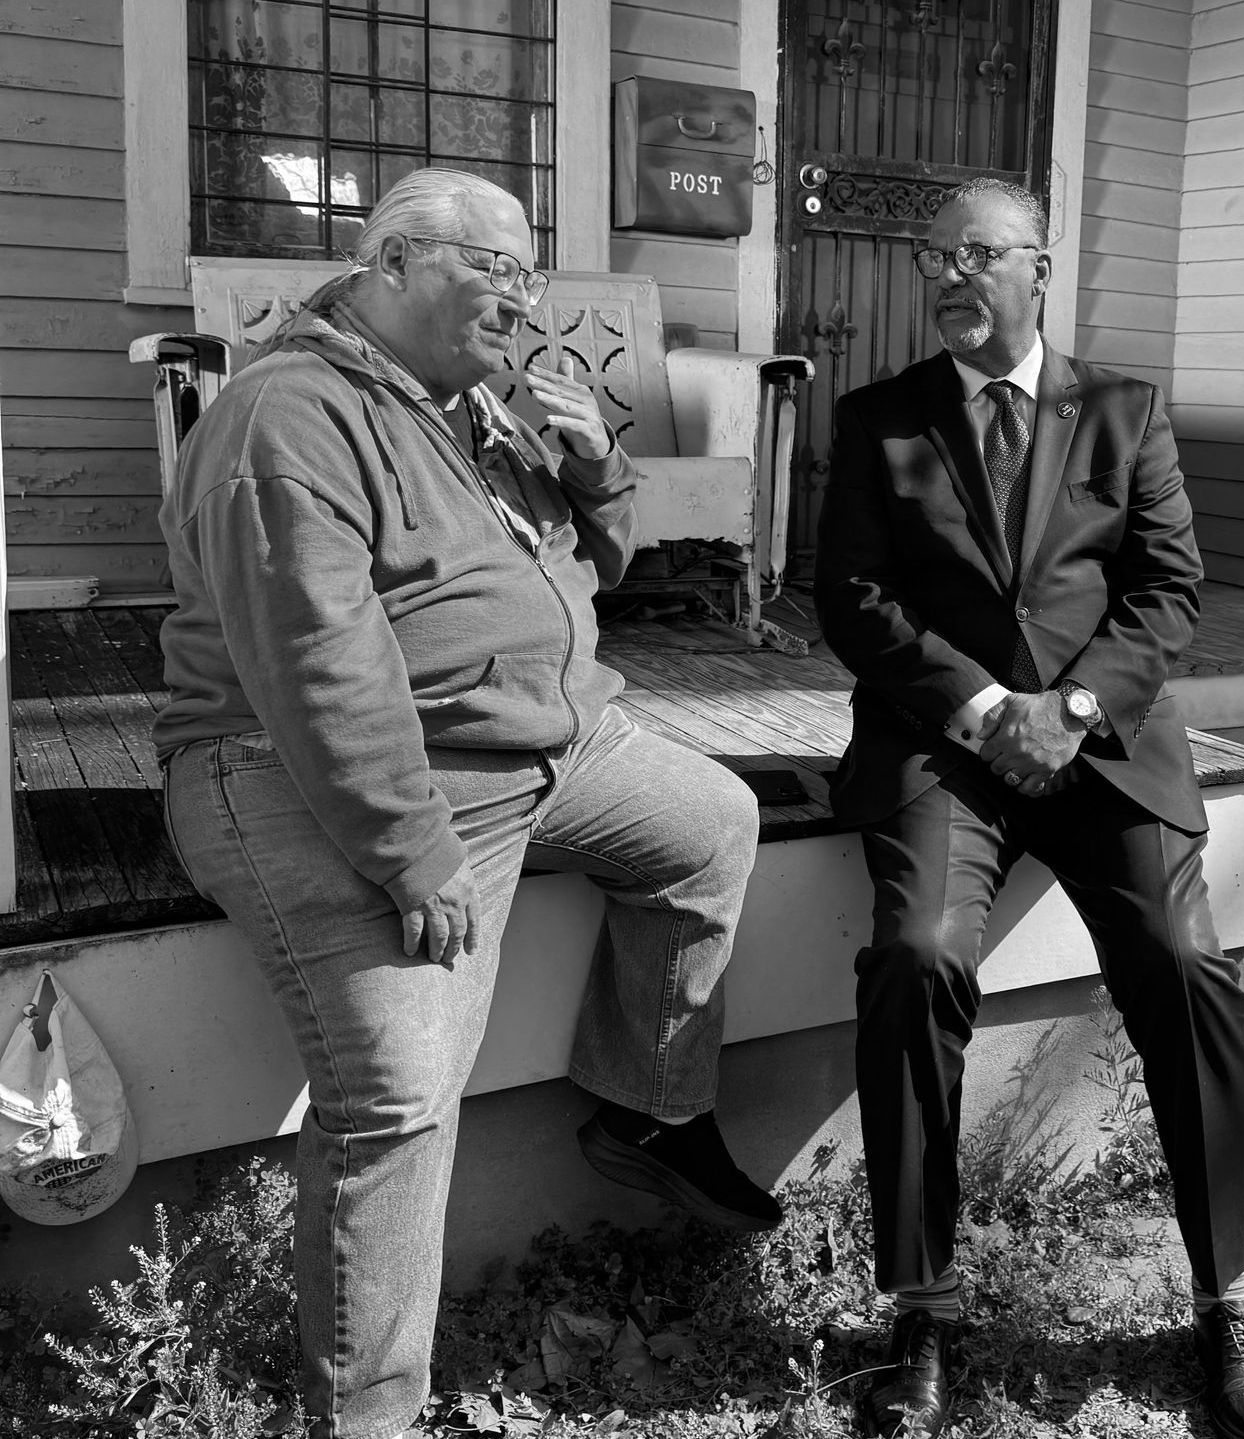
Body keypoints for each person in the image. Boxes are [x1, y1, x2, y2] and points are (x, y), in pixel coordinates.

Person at [153, 167, 781, 1439]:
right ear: (389, 263)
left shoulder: (469, 407)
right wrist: (409, 849)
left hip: (540, 742)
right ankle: (369, 1415)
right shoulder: (294, 417)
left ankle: (652, 1110)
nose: (519, 295)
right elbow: (316, 659)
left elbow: (587, 566)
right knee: (394, 1094)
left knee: (713, 819)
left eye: (527, 270)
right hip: (309, 767)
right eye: (489, 265)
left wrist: (599, 466)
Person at [814, 177, 1244, 1439]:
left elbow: (1168, 590)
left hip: (1104, 746)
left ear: (1039, 263)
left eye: (976, 254)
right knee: (917, 956)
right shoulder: (880, 418)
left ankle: (1224, 1295)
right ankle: (919, 1305)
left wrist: (1069, 711)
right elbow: (853, 598)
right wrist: (984, 709)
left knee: (1188, 960)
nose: (950, 277)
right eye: (935, 260)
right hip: (945, 748)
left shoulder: (1124, 412)